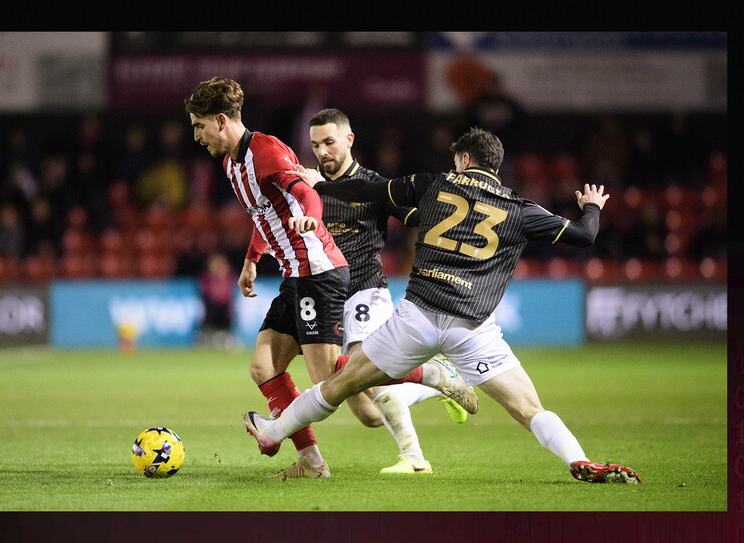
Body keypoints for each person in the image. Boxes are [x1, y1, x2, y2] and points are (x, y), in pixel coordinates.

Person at [243, 127, 642, 484]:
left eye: (456, 161)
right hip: (472, 328)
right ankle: (580, 459)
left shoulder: (434, 184)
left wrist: (320, 185)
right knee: (528, 408)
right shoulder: (521, 210)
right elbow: (584, 236)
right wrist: (592, 205)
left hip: (416, 317)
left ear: (465, 160)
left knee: (338, 385)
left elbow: (368, 192)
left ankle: (273, 431)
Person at [185, 77, 477, 480]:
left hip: (318, 270)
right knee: (263, 367)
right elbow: (263, 213)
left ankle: (431, 374)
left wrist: (312, 218)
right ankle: (312, 462)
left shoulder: (265, 151)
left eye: (199, 126)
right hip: (295, 275)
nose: (196, 135)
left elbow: (307, 193)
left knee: (328, 379)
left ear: (220, 120)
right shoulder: (231, 164)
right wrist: (252, 259)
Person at [306, 108, 470, 475]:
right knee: (368, 414)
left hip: (366, 290)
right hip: (326, 298)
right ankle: (437, 379)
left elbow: (418, 217)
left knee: (371, 368)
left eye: (329, 142)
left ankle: (414, 459)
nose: (322, 151)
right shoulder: (308, 187)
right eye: (316, 145)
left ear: (349, 140)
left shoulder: (374, 185)